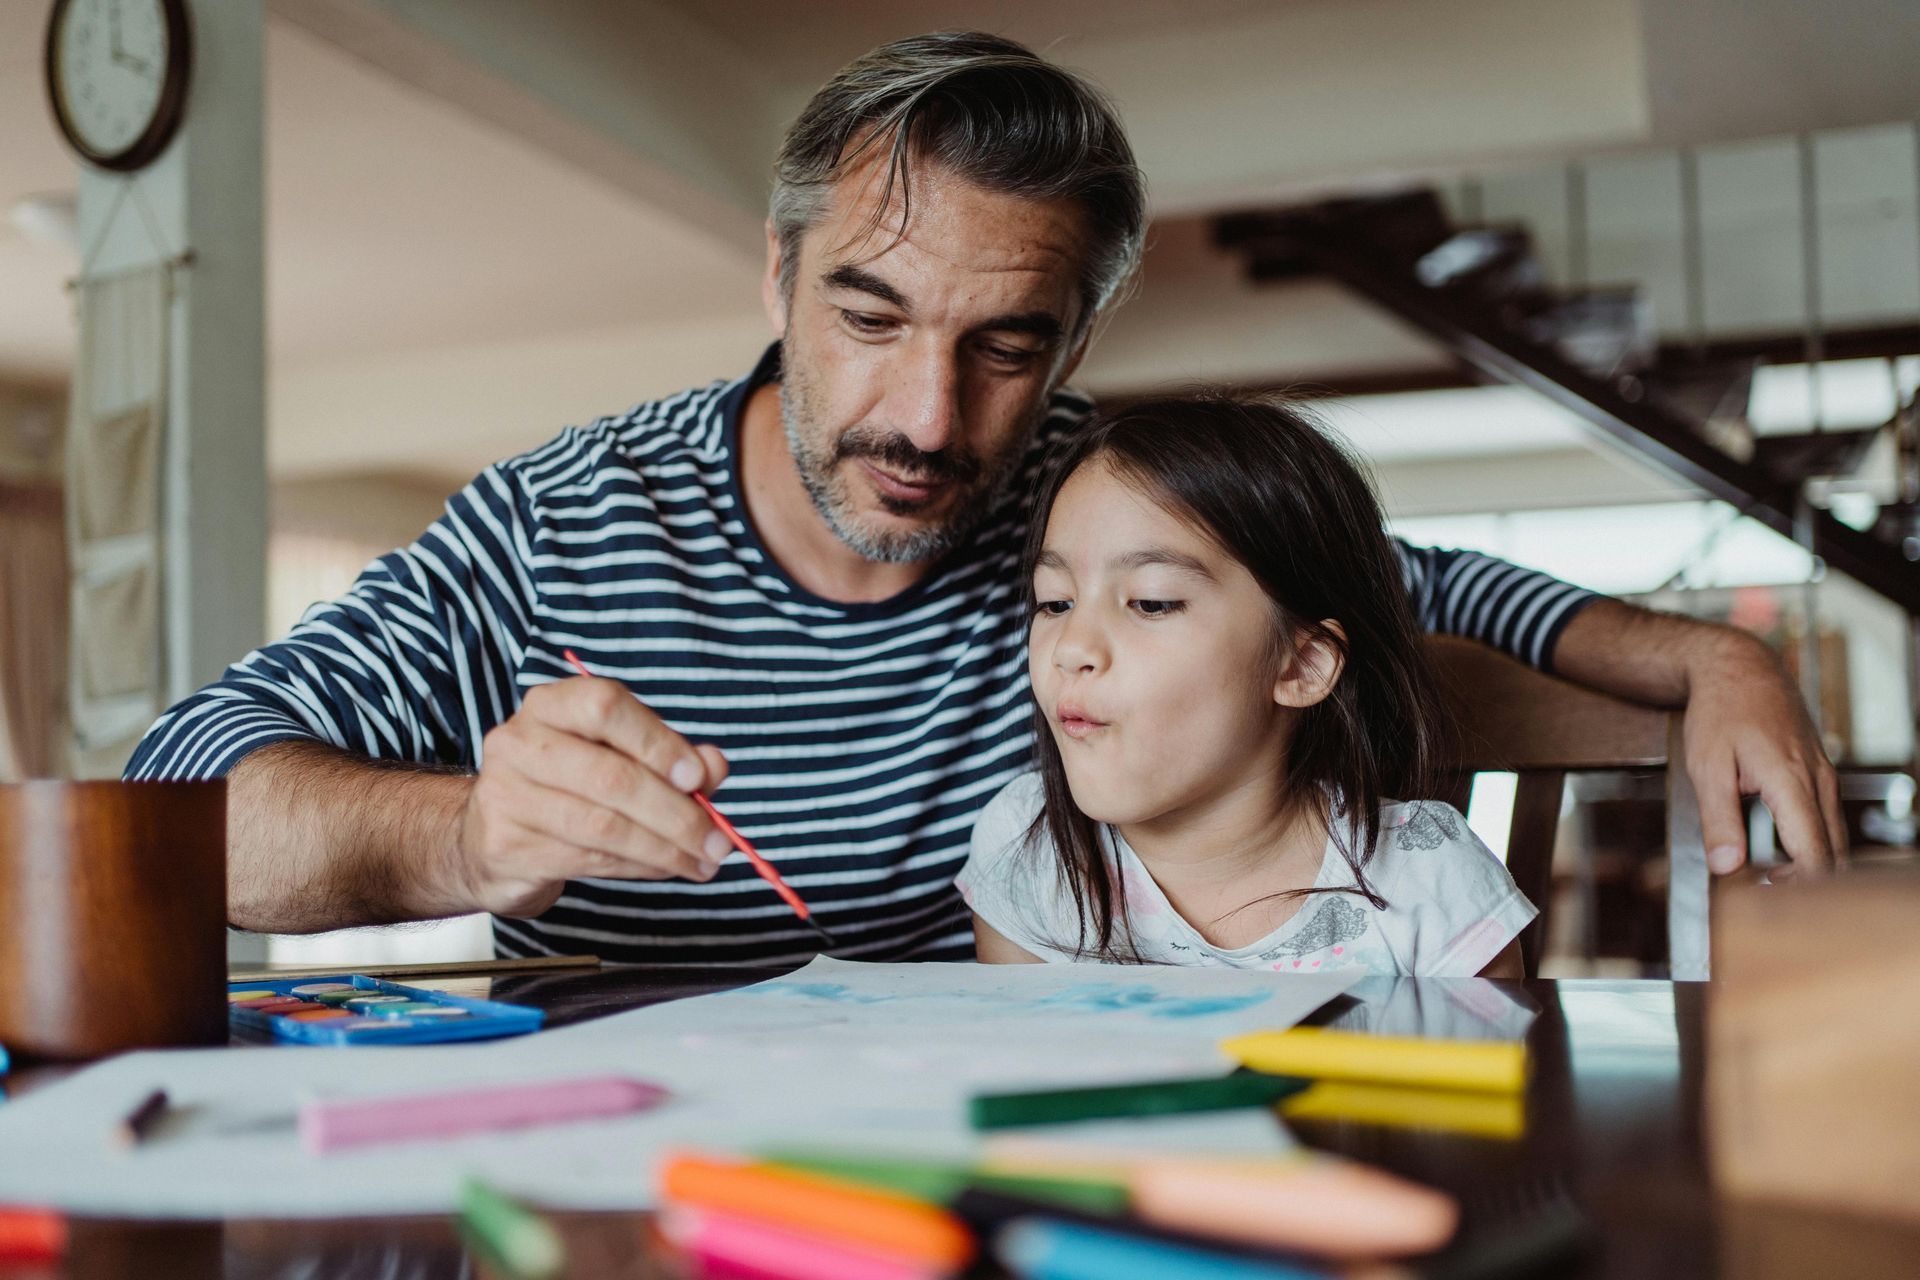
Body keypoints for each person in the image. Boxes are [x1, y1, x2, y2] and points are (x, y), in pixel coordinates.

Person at [127, 32, 1840, 966]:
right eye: (868, 321)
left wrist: (1714, 657)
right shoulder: (557, 524)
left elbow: (1426, 585)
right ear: (779, 270)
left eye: (1007, 347)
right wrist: (467, 841)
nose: (931, 420)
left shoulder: (1094, 502)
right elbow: (181, 796)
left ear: (1080, 335)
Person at [961, 394, 1531, 977]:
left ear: (1301, 665)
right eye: (1054, 601)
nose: (1071, 647)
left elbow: (1487, 1066)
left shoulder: (1429, 878)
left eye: (1152, 602)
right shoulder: (1028, 846)